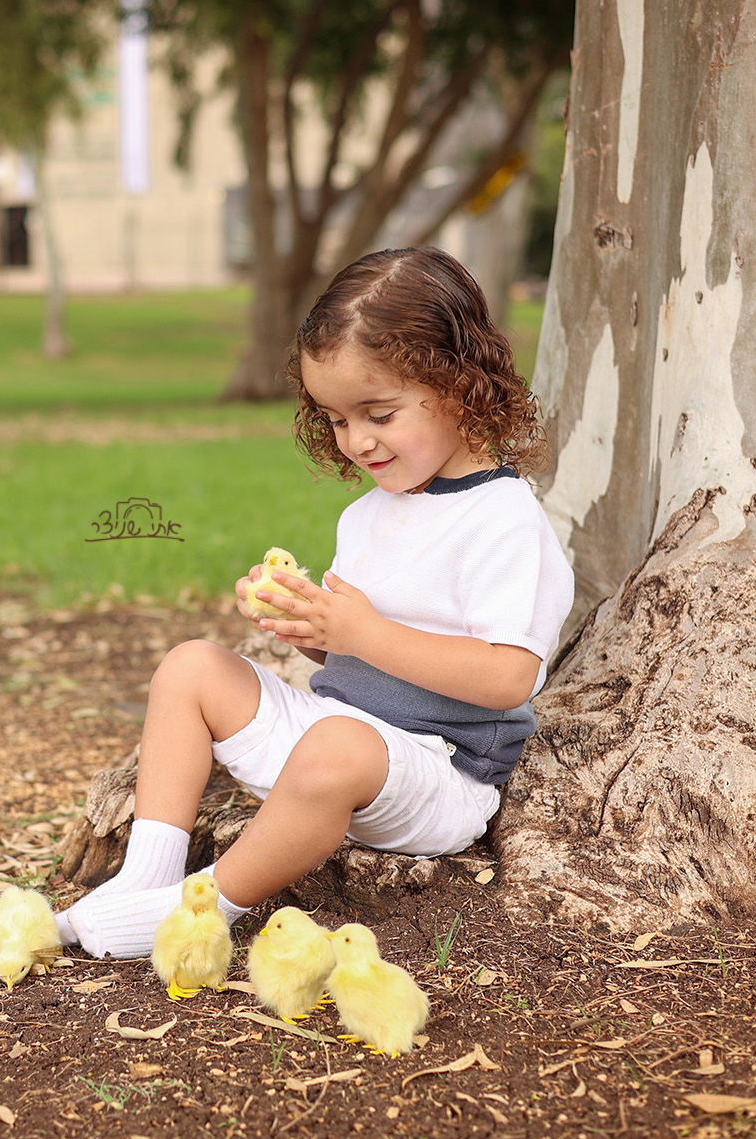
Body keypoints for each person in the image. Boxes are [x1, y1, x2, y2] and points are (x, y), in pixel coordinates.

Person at [56, 247, 574, 959]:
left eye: (379, 414)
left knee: (337, 747)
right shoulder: (369, 513)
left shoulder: (503, 518)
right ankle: (145, 876)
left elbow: (509, 676)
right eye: (335, 419)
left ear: (459, 388)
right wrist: (306, 627)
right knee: (192, 666)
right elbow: (352, 657)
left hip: (439, 772)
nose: (357, 441)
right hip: (337, 740)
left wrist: (360, 632)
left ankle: (198, 910)